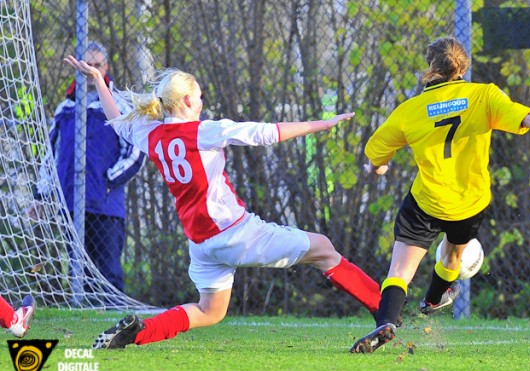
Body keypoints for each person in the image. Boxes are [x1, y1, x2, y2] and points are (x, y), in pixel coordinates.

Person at [63, 56, 382, 350]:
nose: (201, 102)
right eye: (198, 96)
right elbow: (266, 133)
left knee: (209, 311)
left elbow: (116, 119)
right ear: (187, 100)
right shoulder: (204, 131)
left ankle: (138, 333)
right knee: (324, 248)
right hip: (236, 234)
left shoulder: (153, 135)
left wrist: (100, 82)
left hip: (202, 244)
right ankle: (384, 308)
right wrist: (321, 124)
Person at [350, 36, 530, 353]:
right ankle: (434, 299)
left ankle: (387, 321)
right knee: (452, 255)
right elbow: (524, 114)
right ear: (463, 66)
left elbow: (375, 151)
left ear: (430, 68)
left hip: (427, 201)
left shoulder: (410, 111)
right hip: (469, 203)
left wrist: (378, 166)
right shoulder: (483, 95)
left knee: (400, 271)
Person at [31, 42, 144, 292]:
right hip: (70, 203)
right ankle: (83, 317)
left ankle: (117, 324)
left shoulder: (119, 107)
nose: (91, 71)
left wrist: (108, 181)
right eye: (86, 65)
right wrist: (42, 195)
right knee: (78, 270)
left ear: (106, 68)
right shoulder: (65, 110)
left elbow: (135, 152)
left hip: (105, 206)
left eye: (96, 65)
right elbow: (50, 156)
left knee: (108, 272)